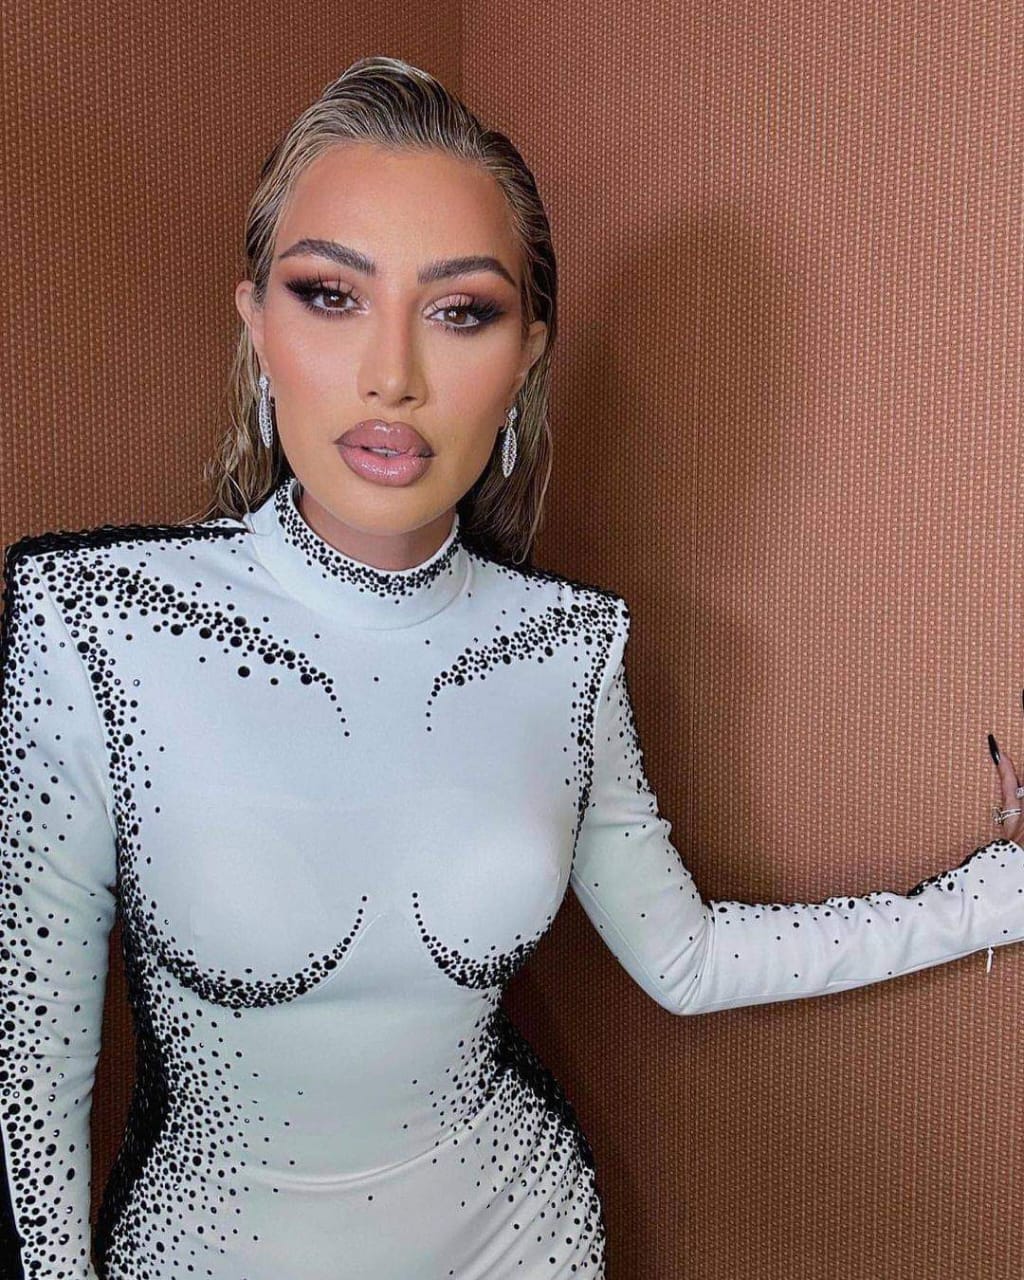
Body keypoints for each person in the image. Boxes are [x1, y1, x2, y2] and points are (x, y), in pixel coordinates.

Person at [1, 54, 1022, 1280]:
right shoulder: (94, 620)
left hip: (521, 1241)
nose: (392, 373)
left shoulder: (565, 647)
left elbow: (686, 959)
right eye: (331, 295)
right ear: (258, 322)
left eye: (460, 311)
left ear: (526, 354)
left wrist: (996, 894)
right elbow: (32, 1064)